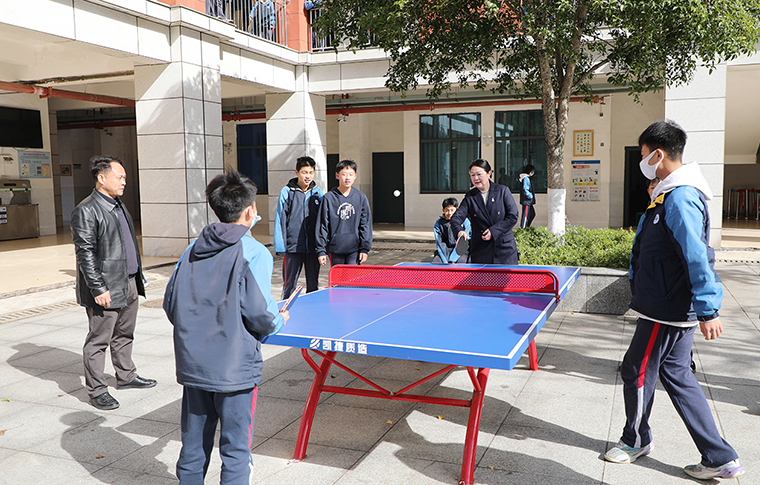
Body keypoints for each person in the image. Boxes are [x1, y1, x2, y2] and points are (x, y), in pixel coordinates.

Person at [605, 120, 745, 480]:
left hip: (665, 308)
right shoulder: (669, 194)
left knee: (635, 370)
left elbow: (696, 255)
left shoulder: (681, 197)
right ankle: (719, 456)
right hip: (665, 302)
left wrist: (708, 308)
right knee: (677, 374)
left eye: (643, 155)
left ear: (658, 154)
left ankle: (635, 440)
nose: (642, 162)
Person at [163, 170, 288, 485]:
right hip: (235, 369)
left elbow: (171, 303)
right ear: (250, 211)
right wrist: (280, 319)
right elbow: (260, 315)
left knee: (193, 447)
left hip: (194, 365)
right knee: (235, 450)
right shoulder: (254, 252)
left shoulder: (191, 249)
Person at [71, 156, 156, 411]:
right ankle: (97, 390)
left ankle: (126, 376)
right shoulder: (87, 210)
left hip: (128, 282)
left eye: (125, 178)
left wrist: (137, 276)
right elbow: (85, 253)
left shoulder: (118, 205)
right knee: (98, 341)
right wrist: (98, 288)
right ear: (101, 178)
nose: (124, 182)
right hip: (106, 288)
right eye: (119, 177)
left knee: (124, 334)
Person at [451, 159, 519, 264]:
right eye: (472, 175)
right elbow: (456, 217)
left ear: (489, 173)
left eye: (479, 174)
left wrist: (493, 231)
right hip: (481, 250)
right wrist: (459, 231)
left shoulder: (502, 191)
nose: (476, 178)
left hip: (504, 250)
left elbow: (513, 216)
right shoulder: (470, 196)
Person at [274, 156, 324, 299]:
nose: (308, 176)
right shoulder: (286, 192)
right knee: (289, 284)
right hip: (293, 247)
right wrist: (281, 246)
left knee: (313, 284)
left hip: (313, 247)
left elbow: (323, 221)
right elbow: (280, 219)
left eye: (311, 172)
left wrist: (322, 245)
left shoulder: (318, 193)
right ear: (297, 172)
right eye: (304, 172)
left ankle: (313, 307)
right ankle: (286, 309)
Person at [316, 159, 372, 266]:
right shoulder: (328, 198)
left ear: (355, 176)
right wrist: (321, 250)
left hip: (354, 249)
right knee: (338, 276)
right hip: (335, 248)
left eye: (351, 174)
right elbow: (322, 225)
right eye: (344, 174)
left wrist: (364, 248)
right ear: (337, 176)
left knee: (352, 276)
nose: (347, 178)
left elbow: (365, 225)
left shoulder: (361, 197)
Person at [433, 197, 471, 264]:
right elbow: (440, 243)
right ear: (443, 210)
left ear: (457, 210)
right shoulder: (439, 223)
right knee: (436, 262)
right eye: (447, 210)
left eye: (452, 210)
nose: (449, 213)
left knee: (462, 262)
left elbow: (464, 242)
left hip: (461, 252)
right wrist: (445, 261)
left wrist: (452, 259)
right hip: (445, 252)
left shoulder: (465, 221)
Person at [518, 164, 536, 228]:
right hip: (527, 201)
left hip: (528, 201)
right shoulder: (526, 179)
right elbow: (525, 190)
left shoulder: (527, 178)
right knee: (525, 216)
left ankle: (527, 227)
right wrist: (530, 196)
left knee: (532, 214)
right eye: (532, 171)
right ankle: (523, 229)